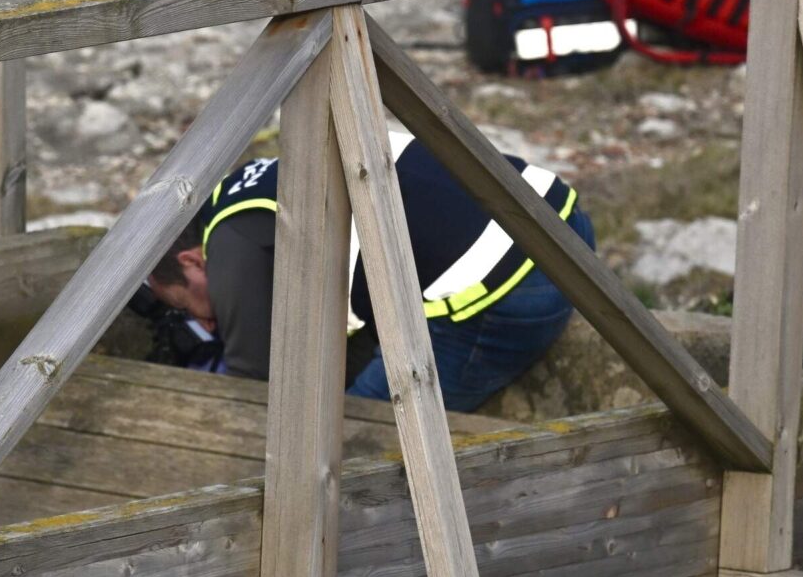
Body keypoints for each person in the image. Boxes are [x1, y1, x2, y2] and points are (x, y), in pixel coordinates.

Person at [140, 147, 594, 413]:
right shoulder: (249, 186)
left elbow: (254, 391)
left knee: (348, 443)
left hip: (506, 293)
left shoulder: (231, 244)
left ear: (193, 262)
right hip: (559, 219)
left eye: (184, 304)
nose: (204, 321)